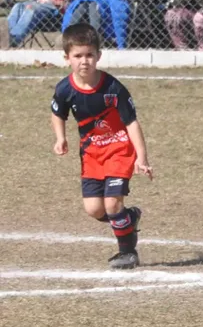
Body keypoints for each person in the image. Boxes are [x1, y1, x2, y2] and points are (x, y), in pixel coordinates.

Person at [50, 23, 152, 270]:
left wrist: (142, 158)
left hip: (119, 151)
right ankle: (129, 219)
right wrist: (60, 138)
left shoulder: (113, 88)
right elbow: (57, 113)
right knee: (94, 209)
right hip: (91, 155)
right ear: (67, 58)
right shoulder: (65, 89)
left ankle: (127, 252)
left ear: (98, 56)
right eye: (77, 56)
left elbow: (131, 123)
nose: (84, 61)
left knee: (111, 204)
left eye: (89, 55)